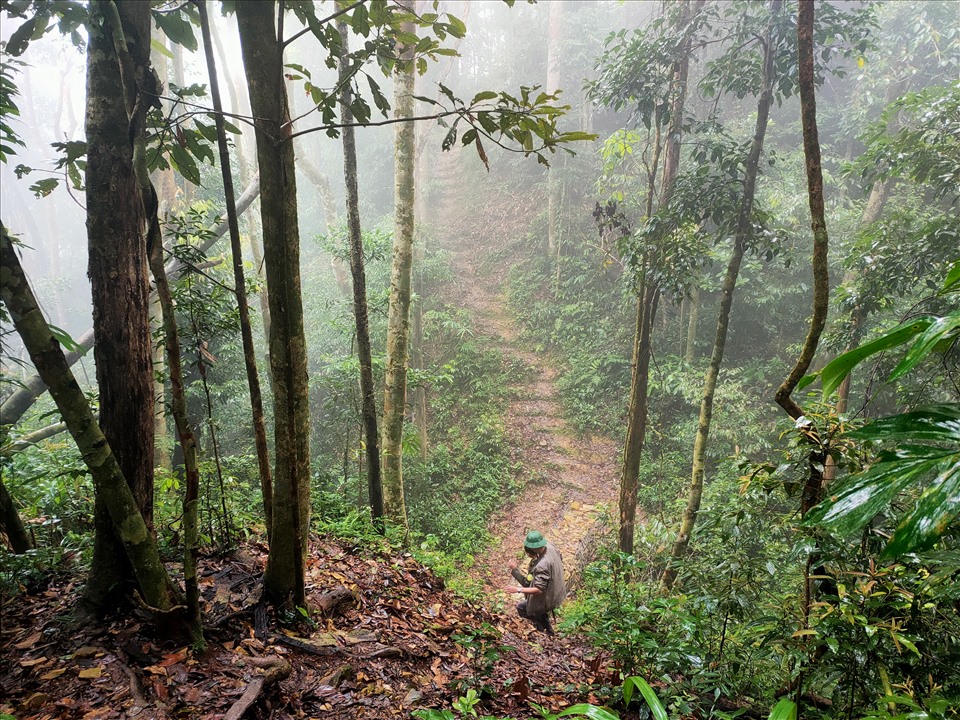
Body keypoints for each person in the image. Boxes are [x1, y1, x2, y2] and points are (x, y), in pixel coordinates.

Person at [503, 530, 566, 635]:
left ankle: (541, 633)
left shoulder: (542, 565)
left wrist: (517, 590)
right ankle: (548, 631)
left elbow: (538, 589)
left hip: (549, 597)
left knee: (523, 607)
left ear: (532, 549)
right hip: (558, 591)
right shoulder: (551, 547)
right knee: (539, 612)